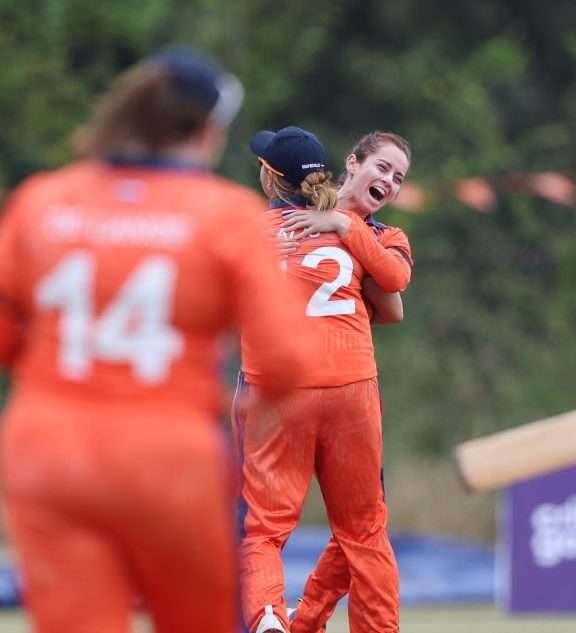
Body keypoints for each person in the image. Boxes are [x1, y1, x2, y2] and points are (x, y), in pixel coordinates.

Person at [0, 49, 308, 633]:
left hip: (48, 452)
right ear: (209, 131)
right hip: (170, 456)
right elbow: (288, 362)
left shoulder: (41, 200)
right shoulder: (226, 215)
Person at [234, 129, 413, 633]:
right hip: (348, 385)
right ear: (349, 164)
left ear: (270, 177)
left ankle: (279, 619)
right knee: (364, 531)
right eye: (382, 168)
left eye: (398, 177)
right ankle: (312, 622)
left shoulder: (254, 229)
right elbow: (392, 302)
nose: (389, 181)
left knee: (264, 528)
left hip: (278, 388)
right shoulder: (372, 235)